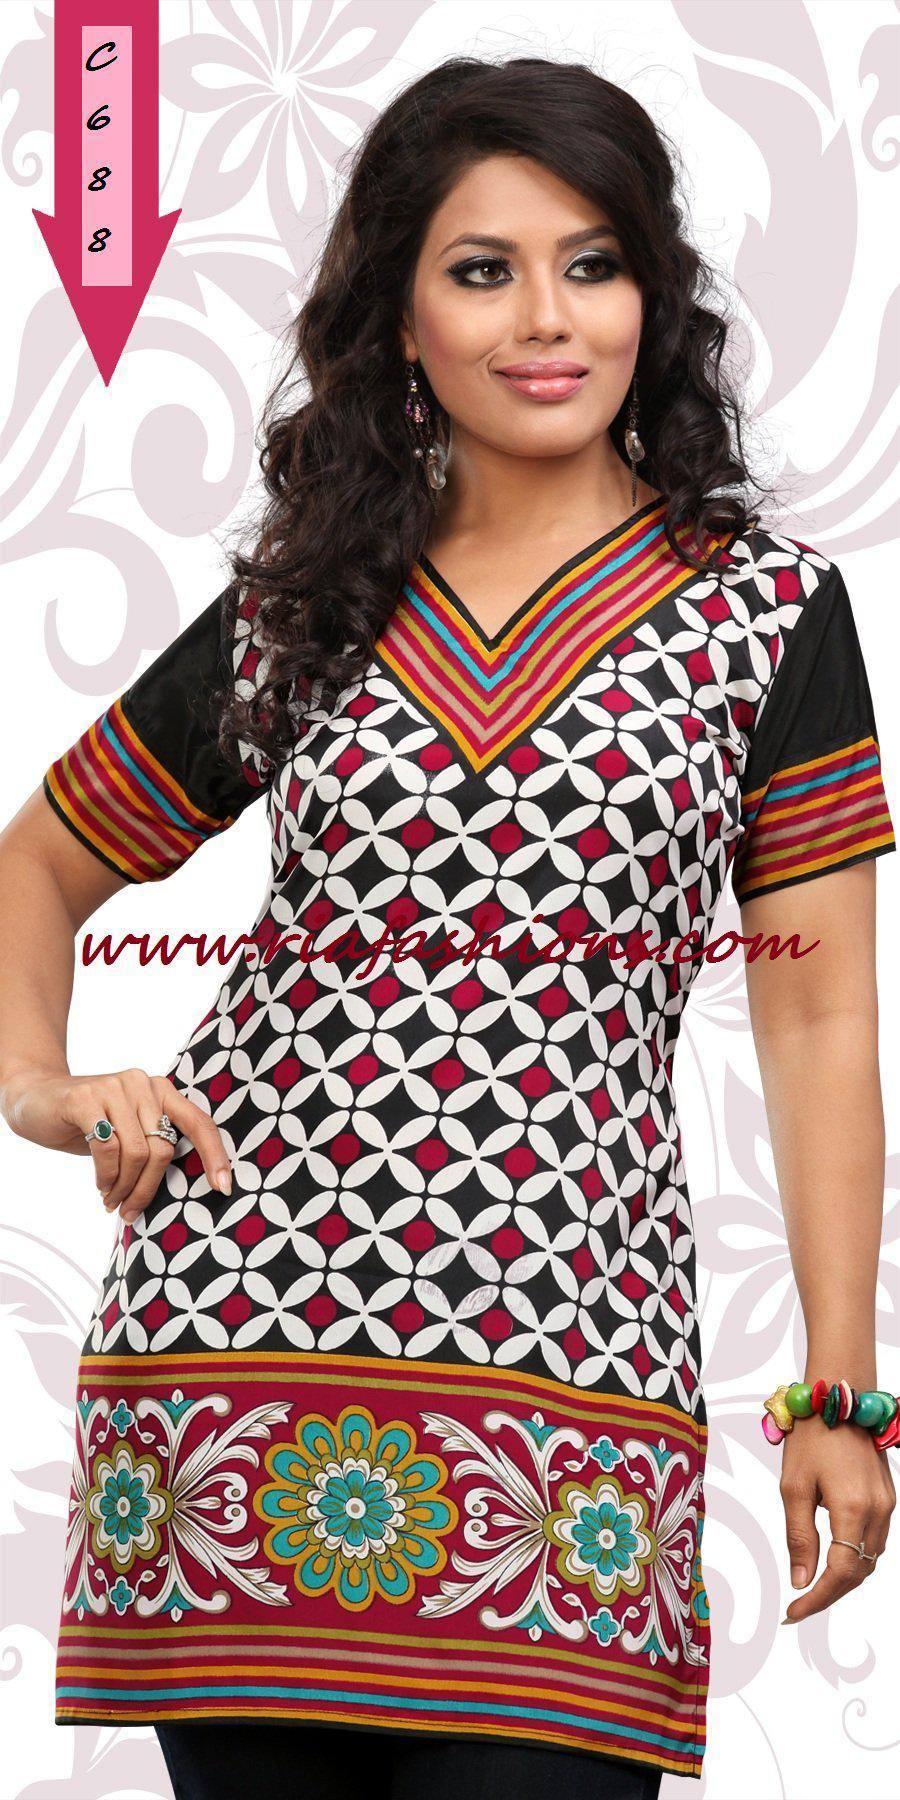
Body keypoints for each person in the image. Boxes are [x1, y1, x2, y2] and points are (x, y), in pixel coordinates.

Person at [0, 52, 895, 1800]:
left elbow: (820, 1017)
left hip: (572, 1400)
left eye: (594, 263)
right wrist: (43, 1083)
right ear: (401, 319)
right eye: (483, 270)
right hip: (234, 1372)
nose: (546, 318)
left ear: (654, 299)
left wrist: (842, 1396)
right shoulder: (307, 605)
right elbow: (35, 867)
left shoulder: (768, 618)